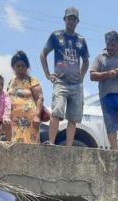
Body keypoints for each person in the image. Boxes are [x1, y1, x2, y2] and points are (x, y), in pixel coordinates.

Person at [40, 6, 89, 147]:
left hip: (76, 83)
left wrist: (82, 75)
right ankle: (51, 141)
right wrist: (47, 74)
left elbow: (86, 60)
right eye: (69, 18)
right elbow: (43, 54)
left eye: (74, 19)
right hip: (60, 81)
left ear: (77, 21)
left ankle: (68, 147)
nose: (71, 21)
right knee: (56, 112)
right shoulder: (56, 36)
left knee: (73, 117)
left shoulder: (81, 40)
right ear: (65, 19)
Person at [6, 50, 44, 145]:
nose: (20, 68)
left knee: (30, 145)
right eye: (17, 66)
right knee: (14, 145)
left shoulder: (32, 81)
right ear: (13, 67)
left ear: (27, 67)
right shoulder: (11, 81)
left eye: (23, 66)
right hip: (14, 120)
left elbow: (40, 98)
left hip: (30, 120)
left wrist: (37, 116)